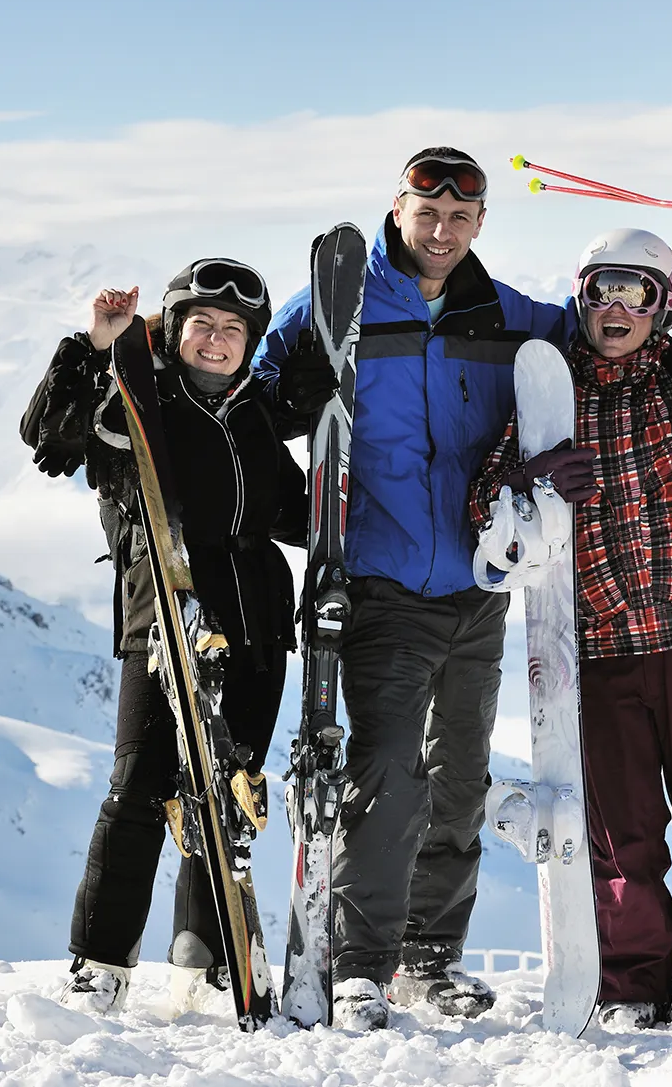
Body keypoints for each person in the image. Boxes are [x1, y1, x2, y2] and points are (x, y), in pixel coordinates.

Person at [253, 149, 568, 1031]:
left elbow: (603, 321)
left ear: (479, 225)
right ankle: (360, 963)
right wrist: (292, 393)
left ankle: (427, 962)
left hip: (477, 583)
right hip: (383, 579)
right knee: (387, 769)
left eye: (461, 218)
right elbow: (258, 388)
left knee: (459, 774)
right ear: (398, 209)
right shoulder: (342, 300)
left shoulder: (504, 315)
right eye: (427, 212)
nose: (442, 231)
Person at [469, 204, 672, 1032]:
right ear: (583, 297)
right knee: (622, 841)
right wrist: (528, 476)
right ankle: (633, 986)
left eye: (637, 293)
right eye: (602, 291)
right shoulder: (548, 397)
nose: (617, 310)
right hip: (597, 654)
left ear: (663, 304)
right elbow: (485, 509)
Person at [19, 259, 306, 1015]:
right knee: (142, 785)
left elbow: (286, 511)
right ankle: (100, 960)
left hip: (255, 624)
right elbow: (50, 439)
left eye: (234, 330)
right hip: (165, 615)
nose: (216, 341)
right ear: (176, 331)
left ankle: (205, 957)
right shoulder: (136, 404)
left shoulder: (256, 415)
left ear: (250, 342)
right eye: (203, 325)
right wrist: (94, 348)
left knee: (228, 793)